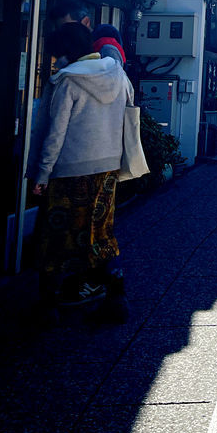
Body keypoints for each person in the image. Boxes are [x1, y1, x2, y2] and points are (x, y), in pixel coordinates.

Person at [28, 22, 134, 320]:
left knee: (55, 236)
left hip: (70, 171)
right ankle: (116, 297)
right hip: (108, 168)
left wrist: (42, 173)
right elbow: (130, 110)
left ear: (66, 52)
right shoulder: (117, 74)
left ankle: (47, 307)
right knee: (99, 233)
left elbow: (54, 133)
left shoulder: (67, 81)